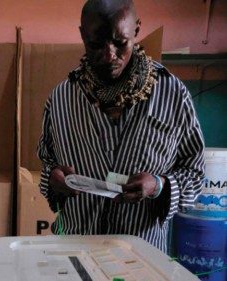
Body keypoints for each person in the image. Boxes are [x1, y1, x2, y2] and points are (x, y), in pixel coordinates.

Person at [37, 0, 205, 252]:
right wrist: (53, 178)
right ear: (82, 34)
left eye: (120, 42)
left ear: (136, 30)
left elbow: (195, 172)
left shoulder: (172, 94)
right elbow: (47, 162)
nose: (109, 55)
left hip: (141, 256)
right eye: (95, 44)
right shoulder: (61, 99)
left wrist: (158, 185)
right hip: (75, 250)